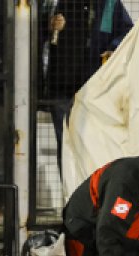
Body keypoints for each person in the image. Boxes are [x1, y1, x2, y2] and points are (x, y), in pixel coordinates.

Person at [40, 0, 133, 172]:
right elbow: (32, 31)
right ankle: (69, 193)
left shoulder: (110, 3)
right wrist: (49, 25)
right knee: (65, 144)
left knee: (91, 144)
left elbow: (128, 32)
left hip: (93, 87)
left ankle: (90, 191)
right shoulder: (54, 2)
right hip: (61, 85)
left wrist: (113, 48)